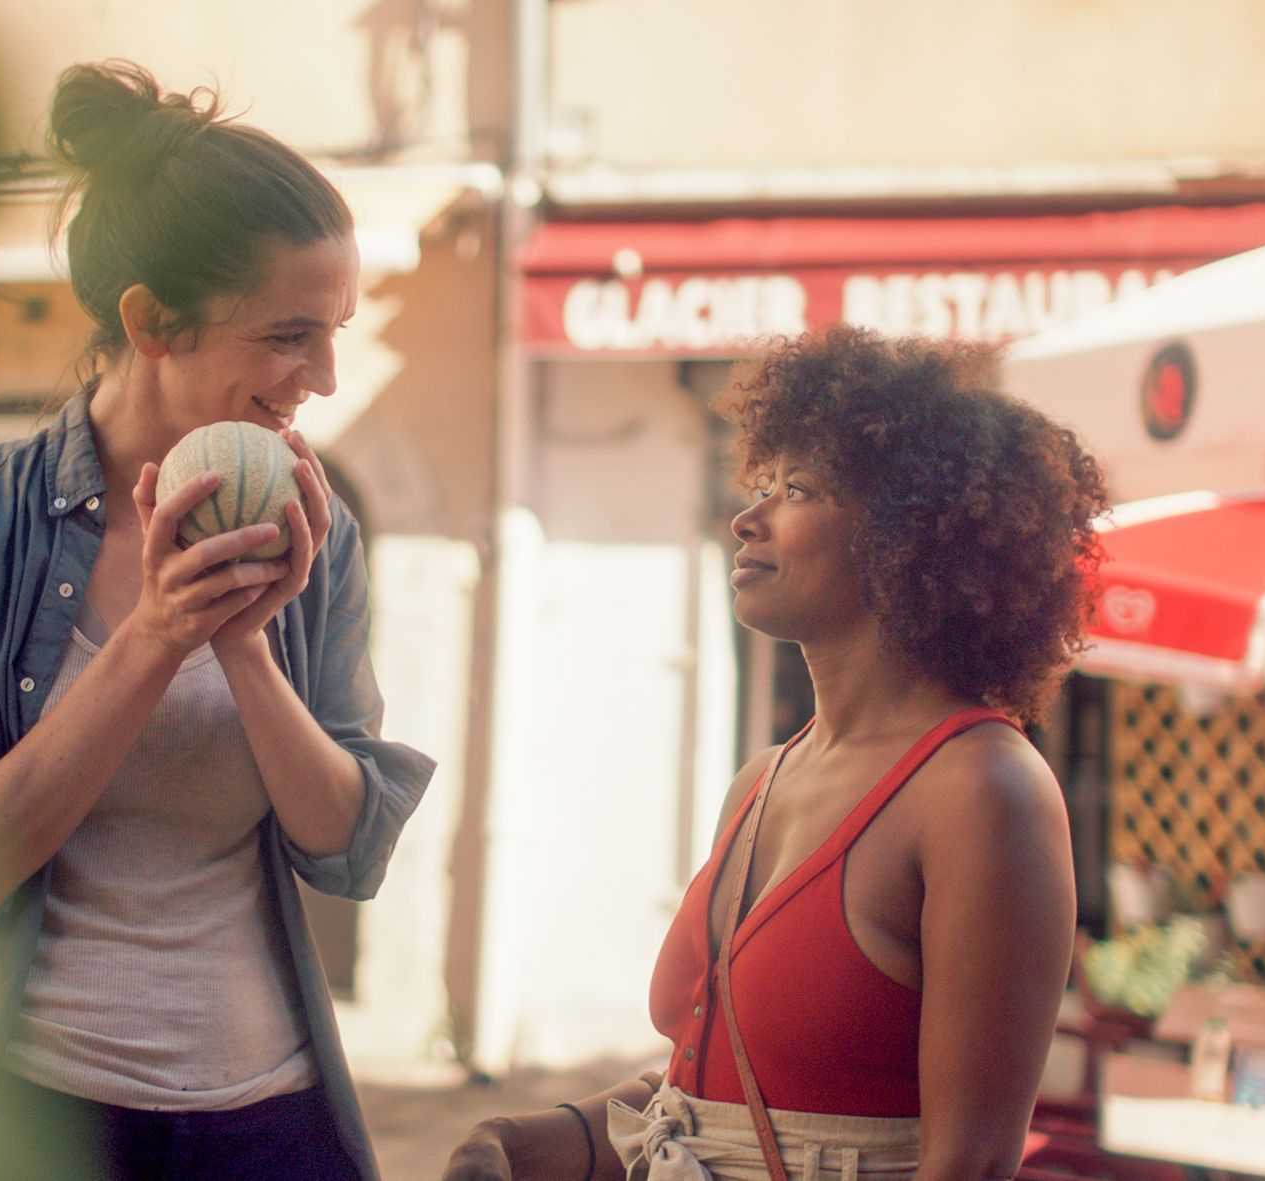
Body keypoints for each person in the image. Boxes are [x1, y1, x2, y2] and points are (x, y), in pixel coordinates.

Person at [0, 60, 435, 1181]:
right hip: (29, 1111)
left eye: (335, 330)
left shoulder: (320, 536)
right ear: (150, 320)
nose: (322, 375)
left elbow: (347, 851)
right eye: (287, 335)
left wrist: (243, 645)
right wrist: (151, 637)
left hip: (270, 1113)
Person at [443, 324, 1106, 1181]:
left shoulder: (981, 789)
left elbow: (969, 1162)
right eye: (763, 482)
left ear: (909, 537)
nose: (747, 517)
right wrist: (521, 1141)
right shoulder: (763, 779)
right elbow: (709, 1105)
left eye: (798, 489)